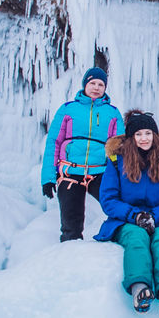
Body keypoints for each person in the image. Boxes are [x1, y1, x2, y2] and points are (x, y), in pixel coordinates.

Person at [94, 111, 159, 312]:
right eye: (138, 134)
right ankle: (140, 287)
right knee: (136, 238)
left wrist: (154, 216)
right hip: (126, 219)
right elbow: (108, 199)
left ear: (155, 135)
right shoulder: (115, 161)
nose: (144, 138)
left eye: (148, 133)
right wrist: (134, 216)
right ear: (131, 138)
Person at [41, 67, 124, 241]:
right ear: (85, 84)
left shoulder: (113, 113)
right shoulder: (68, 109)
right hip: (70, 173)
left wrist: (120, 176)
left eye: (101, 84)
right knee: (71, 225)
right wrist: (48, 178)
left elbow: (119, 148)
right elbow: (53, 143)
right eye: (92, 83)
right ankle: (70, 258)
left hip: (100, 172)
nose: (96, 87)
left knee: (117, 208)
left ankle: (117, 243)